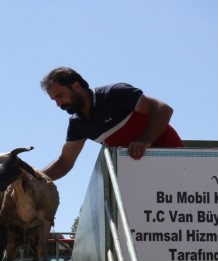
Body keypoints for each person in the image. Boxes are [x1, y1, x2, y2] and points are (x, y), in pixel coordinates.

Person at [40, 67, 183, 180]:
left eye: (60, 96)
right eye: (55, 100)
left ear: (76, 86)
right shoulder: (78, 124)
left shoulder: (114, 95)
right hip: (141, 173)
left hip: (175, 161)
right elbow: (65, 162)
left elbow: (163, 109)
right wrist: (30, 178)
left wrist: (144, 141)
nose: (59, 104)